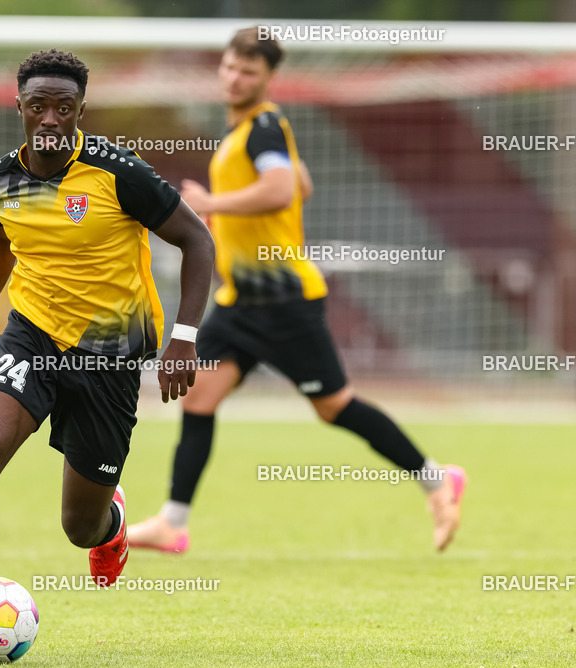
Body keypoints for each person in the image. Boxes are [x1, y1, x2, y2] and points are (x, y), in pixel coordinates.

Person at [0, 49, 215, 658]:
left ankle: (111, 524)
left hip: (111, 356)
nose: (49, 118)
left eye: (62, 108)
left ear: (80, 111)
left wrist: (184, 337)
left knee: (79, 526)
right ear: (19, 108)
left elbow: (197, 240)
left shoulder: (121, 174)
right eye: (37, 106)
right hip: (31, 337)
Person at [127, 28, 466, 557]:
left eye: (249, 72)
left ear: (267, 79)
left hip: (284, 301)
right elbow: (301, 184)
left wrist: (213, 202)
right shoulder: (256, 131)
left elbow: (283, 188)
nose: (236, 78)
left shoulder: (262, 126)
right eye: (230, 67)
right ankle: (174, 522)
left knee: (334, 406)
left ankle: (436, 479)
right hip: (240, 300)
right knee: (199, 396)